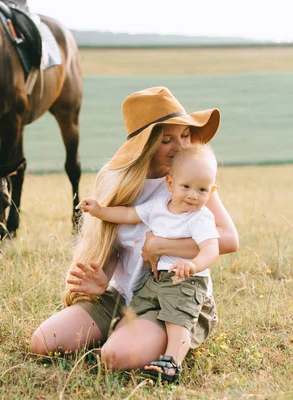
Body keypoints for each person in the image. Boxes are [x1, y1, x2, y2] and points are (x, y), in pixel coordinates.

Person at [29, 87, 239, 383]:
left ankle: (160, 342)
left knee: (114, 358)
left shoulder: (190, 183)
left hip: (171, 294)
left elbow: (229, 239)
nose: (179, 146)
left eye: (184, 135)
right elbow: (115, 242)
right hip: (121, 295)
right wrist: (103, 278)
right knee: (43, 342)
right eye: (166, 139)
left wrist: (162, 246)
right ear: (145, 145)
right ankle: (124, 331)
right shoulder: (118, 182)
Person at [76, 144, 220, 383]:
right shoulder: (158, 207)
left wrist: (194, 265)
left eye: (202, 190)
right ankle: (112, 343)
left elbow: (211, 249)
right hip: (154, 281)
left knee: (178, 319)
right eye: (186, 187)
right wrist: (100, 211)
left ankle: (172, 362)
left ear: (211, 190)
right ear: (170, 183)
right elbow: (128, 215)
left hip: (185, 281)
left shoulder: (201, 217)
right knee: (132, 314)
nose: (193, 195)